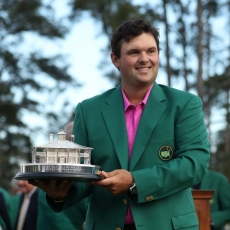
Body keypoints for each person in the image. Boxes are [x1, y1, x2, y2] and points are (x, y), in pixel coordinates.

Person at [29, 19, 210, 230]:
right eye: (134, 52)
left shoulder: (184, 104)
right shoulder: (88, 111)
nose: (145, 59)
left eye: (151, 51)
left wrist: (135, 181)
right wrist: (59, 194)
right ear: (115, 59)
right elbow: (83, 178)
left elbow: (195, 164)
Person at [13, 179, 87, 230]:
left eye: (24, 180)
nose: (20, 183)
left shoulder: (44, 193)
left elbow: (57, 217)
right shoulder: (22, 197)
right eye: (19, 180)